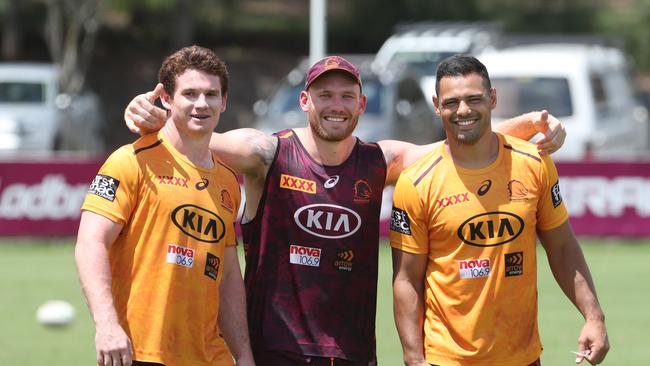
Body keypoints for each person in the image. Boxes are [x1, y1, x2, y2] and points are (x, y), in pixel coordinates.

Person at [124, 55, 566, 365]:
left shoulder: (379, 162)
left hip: (352, 348)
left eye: (346, 95)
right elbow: (194, 133)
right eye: (324, 95)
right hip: (276, 348)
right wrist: (148, 112)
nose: (335, 105)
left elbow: (454, 143)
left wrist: (531, 125)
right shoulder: (267, 153)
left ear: (361, 103)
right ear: (304, 102)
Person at [389, 54, 609, 366]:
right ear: (437, 105)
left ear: (492, 99)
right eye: (451, 102)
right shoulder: (416, 182)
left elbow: (562, 247)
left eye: (474, 99)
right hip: (446, 359)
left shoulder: (534, 163)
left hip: (522, 358)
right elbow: (406, 279)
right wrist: (413, 357)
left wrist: (593, 316)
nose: (463, 110)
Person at [75, 45, 255, 366]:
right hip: (139, 352)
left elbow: (227, 274)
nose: (202, 104)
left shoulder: (229, 182)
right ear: (167, 99)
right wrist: (106, 325)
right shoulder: (130, 161)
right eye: (190, 94)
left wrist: (242, 354)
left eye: (211, 95)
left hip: (209, 356)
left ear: (224, 102)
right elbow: (91, 242)